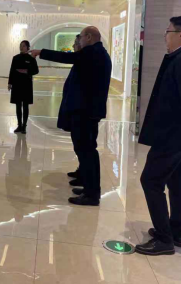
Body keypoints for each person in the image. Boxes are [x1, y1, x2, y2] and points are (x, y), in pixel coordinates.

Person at [136, 16, 181, 256]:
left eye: (168, 31)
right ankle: (176, 231)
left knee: (151, 181)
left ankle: (164, 239)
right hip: (180, 135)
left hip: (173, 135)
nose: (164, 36)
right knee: (176, 182)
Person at [31, 26, 111, 206]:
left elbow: (67, 57)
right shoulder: (97, 53)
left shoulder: (93, 52)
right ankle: (87, 184)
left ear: (88, 37)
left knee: (87, 151)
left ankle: (91, 194)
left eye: (80, 37)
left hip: (85, 112)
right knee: (86, 150)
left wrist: (41, 52)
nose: (78, 41)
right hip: (87, 111)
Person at [62, 35, 82, 180]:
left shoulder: (85, 59)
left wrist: (41, 52)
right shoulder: (81, 61)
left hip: (82, 111)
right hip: (77, 110)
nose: (73, 46)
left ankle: (87, 180)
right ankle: (82, 171)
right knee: (79, 145)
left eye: (76, 43)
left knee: (83, 146)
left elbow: (63, 57)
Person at [8, 40, 39, 134]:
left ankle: (24, 126)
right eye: (20, 46)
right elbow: (12, 71)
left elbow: (36, 70)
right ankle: (19, 125)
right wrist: (10, 83)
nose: (21, 47)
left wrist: (27, 71)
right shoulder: (15, 58)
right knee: (18, 106)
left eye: (23, 46)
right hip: (17, 85)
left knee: (25, 106)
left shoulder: (31, 58)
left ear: (28, 47)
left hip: (26, 85)